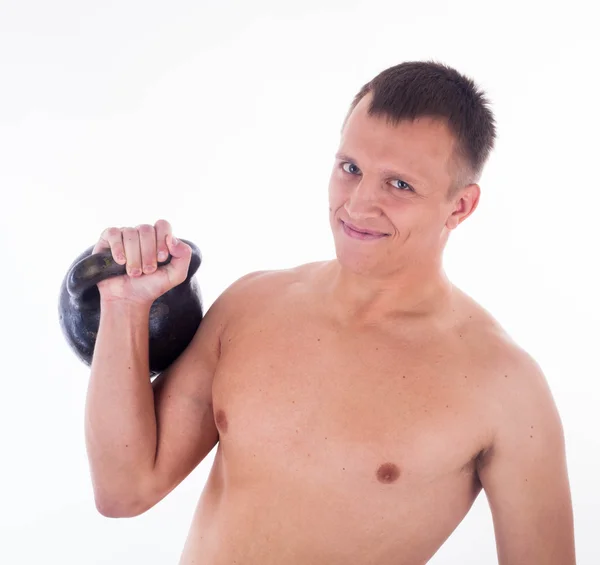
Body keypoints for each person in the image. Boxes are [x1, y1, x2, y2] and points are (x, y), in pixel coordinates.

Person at [85, 60, 576, 564]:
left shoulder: (505, 387)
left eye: (400, 185)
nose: (359, 204)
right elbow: (125, 489)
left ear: (460, 206)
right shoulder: (251, 307)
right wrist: (124, 307)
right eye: (351, 169)